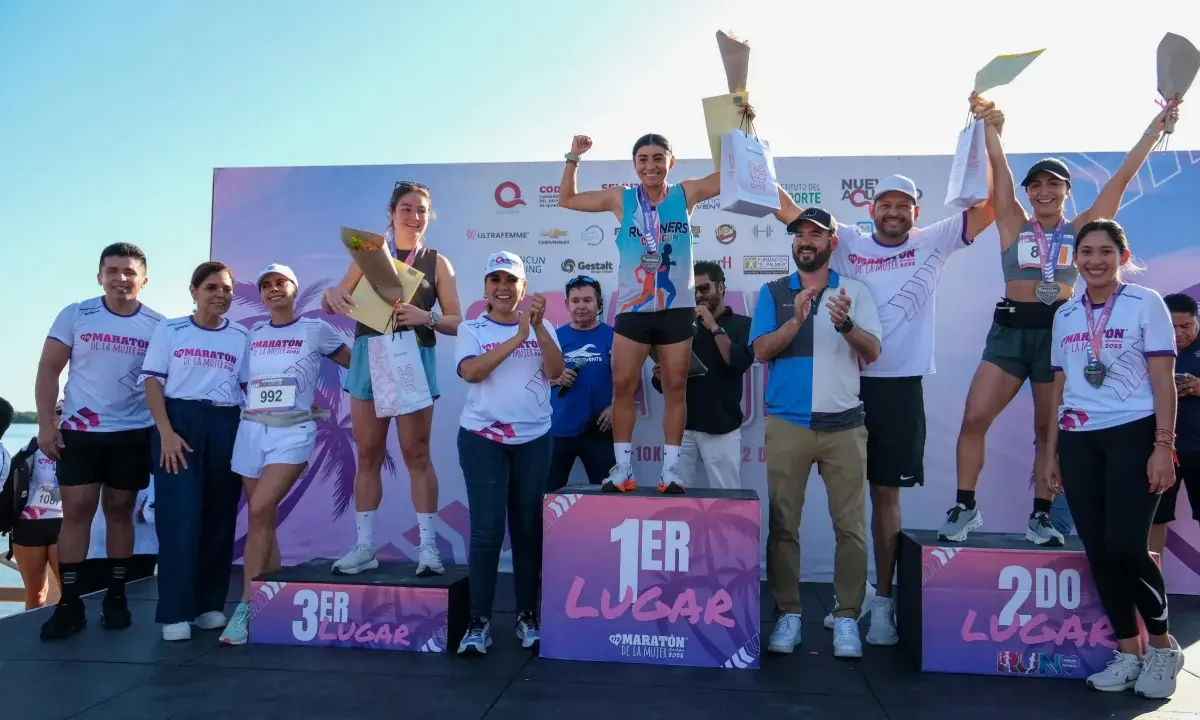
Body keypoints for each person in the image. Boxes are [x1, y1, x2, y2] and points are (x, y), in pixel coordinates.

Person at [944, 96, 1182, 547]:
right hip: (1010, 334)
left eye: (1054, 184)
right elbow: (1002, 173)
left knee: (1045, 429)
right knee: (974, 417)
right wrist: (991, 124)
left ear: (1067, 192)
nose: (1045, 192)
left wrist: (1155, 128)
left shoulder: (1083, 231)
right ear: (1030, 193)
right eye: (1037, 185)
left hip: (1061, 336)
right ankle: (964, 504)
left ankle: (1042, 514)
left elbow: (1123, 177)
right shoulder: (1014, 222)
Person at [773, 169, 995, 641]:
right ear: (869, 208)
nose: (893, 213)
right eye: (884, 204)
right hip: (843, 382)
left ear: (916, 211)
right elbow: (786, 208)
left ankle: (884, 603)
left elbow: (992, 206)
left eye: (902, 206)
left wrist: (988, 133)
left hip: (897, 386)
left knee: (884, 496)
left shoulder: (935, 239)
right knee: (842, 505)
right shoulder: (846, 239)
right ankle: (852, 599)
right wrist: (742, 130)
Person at [557, 123, 746, 494]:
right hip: (633, 308)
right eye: (643, 159)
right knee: (623, 386)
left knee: (676, 387)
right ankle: (622, 468)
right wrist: (574, 157)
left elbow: (731, 176)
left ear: (671, 162)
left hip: (676, 307)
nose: (651, 166)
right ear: (634, 164)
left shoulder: (685, 193)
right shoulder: (620, 199)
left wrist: (738, 127)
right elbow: (567, 198)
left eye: (658, 158)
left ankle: (671, 471)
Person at [1039, 219, 1184, 698]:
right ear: (1075, 259)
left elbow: (1163, 381)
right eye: (1086, 252)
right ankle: (1129, 651)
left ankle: (1162, 648)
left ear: (1123, 256)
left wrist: (1163, 445)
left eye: (1105, 251)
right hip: (1079, 440)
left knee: (1125, 546)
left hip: (1133, 434)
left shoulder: (1147, 304)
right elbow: (1061, 387)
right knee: (1098, 551)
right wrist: (1051, 454)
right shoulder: (1064, 315)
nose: (1095, 260)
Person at [750, 208, 882, 659]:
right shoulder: (773, 292)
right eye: (799, 234)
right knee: (783, 525)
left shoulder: (855, 291)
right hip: (788, 423)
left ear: (832, 242)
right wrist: (796, 320)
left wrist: (845, 325)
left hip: (844, 425)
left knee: (852, 529)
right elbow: (760, 352)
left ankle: (846, 617)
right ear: (792, 244)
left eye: (815, 234)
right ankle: (788, 614)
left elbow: (874, 352)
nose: (806, 240)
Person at [321, 181, 462, 577]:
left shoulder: (438, 262)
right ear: (391, 213)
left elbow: (456, 321)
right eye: (406, 208)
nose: (414, 217)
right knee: (367, 454)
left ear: (428, 216)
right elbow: (335, 300)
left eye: (421, 210)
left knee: (417, 455)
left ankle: (429, 549)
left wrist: (427, 317)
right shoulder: (368, 255)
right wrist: (331, 294)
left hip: (413, 356)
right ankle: (365, 547)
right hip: (370, 356)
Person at [35, 242, 165, 640]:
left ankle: (116, 595)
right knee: (76, 512)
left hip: (132, 433)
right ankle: (69, 602)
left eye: (129, 272)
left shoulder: (159, 325)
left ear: (144, 280)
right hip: (80, 432)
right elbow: (48, 369)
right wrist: (45, 425)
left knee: (121, 510)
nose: (120, 278)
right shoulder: (76, 314)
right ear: (99, 277)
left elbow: (164, 383)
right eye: (112, 271)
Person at [220, 264, 351, 645]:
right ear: (260, 296)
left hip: (293, 430)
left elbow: (356, 364)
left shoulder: (316, 329)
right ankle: (271, 588)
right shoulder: (251, 334)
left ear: (295, 289)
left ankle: (245, 607)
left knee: (260, 510)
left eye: (281, 283)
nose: (273, 289)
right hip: (250, 430)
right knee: (262, 515)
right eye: (266, 285)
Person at [454, 252, 564, 655]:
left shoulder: (543, 324)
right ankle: (478, 620)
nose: (503, 287)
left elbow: (555, 370)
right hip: (484, 441)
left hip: (534, 440)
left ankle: (526, 615)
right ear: (485, 287)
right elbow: (473, 372)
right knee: (486, 531)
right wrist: (519, 336)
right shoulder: (471, 328)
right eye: (495, 279)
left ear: (522, 288)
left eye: (510, 280)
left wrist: (536, 329)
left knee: (528, 529)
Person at [141, 261, 250, 641]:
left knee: (219, 517)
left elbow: (249, 387)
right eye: (211, 288)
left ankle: (208, 606)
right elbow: (153, 383)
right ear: (193, 291)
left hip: (225, 423)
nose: (220, 295)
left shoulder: (241, 335)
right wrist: (166, 433)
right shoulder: (170, 329)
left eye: (226, 289)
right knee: (180, 517)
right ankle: (175, 611)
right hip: (179, 424)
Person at [650, 260, 754, 488]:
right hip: (681, 427)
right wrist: (661, 375)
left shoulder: (743, 325)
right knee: (675, 495)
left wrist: (713, 326)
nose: (698, 295)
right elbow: (660, 386)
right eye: (693, 290)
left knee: (727, 497)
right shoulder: (681, 326)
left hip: (722, 428)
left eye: (704, 288)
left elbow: (736, 364)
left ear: (721, 287)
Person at [546, 275, 616, 491]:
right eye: (575, 301)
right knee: (547, 495)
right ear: (567, 304)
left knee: (608, 497)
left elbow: (631, 381)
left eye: (587, 300)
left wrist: (616, 407)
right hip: (558, 430)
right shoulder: (554, 337)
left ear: (598, 303)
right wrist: (556, 378)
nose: (581, 306)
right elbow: (534, 380)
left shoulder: (613, 336)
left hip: (601, 430)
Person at [1150, 292, 1200, 554]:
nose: (1179, 333)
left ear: (1197, 320)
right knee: (1155, 519)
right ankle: (1152, 590)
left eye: (1186, 326)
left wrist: (1197, 387)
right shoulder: (1147, 346)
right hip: (1161, 449)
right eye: (1172, 327)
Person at [1, 400, 62, 609]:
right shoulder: (27, 451)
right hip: (28, 525)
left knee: (70, 591)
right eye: (55, 411)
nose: (58, 416)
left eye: (64, 411)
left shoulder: (80, 453)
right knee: (35, 593)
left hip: (64, 525)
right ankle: (33, 638)